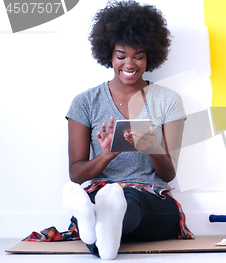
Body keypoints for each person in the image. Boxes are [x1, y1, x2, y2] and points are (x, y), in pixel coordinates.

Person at [63, 0, 192, 260]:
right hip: (101, 190)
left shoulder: (168, 100)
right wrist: (106, 155)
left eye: (139, 56)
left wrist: (153, 148)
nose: (129, 64)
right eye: (121, 55)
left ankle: (94, 225)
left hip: (150, 198)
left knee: (127, 201)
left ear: (151, 56)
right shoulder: (85, 102)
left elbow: (167, 174)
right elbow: (76, 174)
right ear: (108, 55)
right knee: (106, 198)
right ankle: (102, 228)